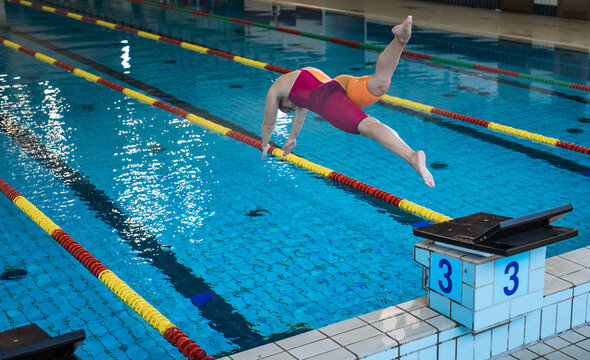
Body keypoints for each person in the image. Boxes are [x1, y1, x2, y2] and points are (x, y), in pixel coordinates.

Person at [260, 16, 435, 188]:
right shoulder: (300, 76)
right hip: (340, 84)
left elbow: (269, 123)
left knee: (369, 127)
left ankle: (412, 157)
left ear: (282, 102)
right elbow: (301, 114)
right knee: (380, 84)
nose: (293, 108)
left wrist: (265, 144)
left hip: (327, 98)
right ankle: (400, 39)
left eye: (287, 109)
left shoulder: (275, 90)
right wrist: (292, 138)